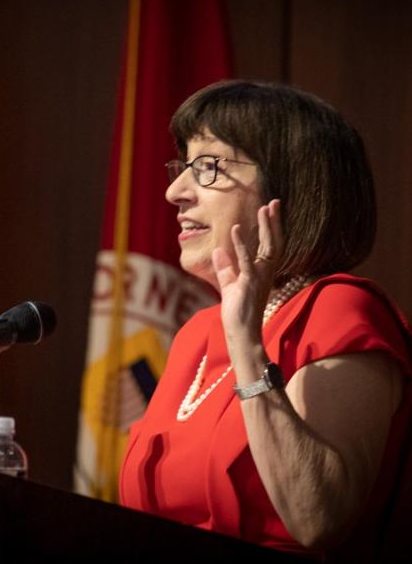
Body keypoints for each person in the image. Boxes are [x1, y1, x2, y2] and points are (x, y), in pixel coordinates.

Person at [118, 80, 412, 561]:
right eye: (183, 167)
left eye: (208, 167)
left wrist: (246, 344)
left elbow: (317, 519)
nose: (175, 191)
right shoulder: (196, 334)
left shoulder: (340, 311)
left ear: (290, 187)